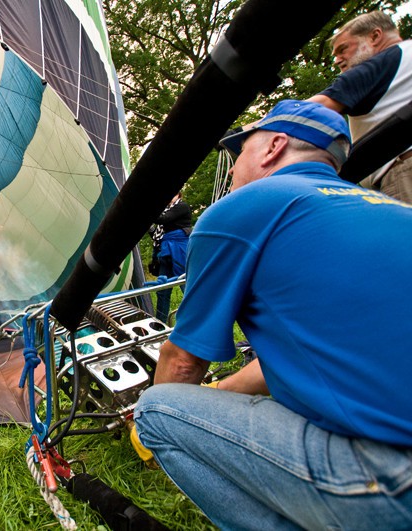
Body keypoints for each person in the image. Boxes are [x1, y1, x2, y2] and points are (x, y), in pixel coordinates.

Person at [131, 100, 412, 530]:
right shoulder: (387, 207)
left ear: (272, 147)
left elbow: (183, 362)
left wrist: (171, 413)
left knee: (154, 409)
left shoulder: (243, 209)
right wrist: (215, 395)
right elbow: (286, 361)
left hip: (390, 482)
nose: (236, 165)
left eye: (239, 152)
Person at [309, 10, 412, 203]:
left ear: (375, 36)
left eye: (343, 49)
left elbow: (308, 111)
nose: (337, 60)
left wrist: (242, 136)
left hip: (404, 171)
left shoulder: (380, 64)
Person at [147, 192, 192, 323]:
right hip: (166, 251)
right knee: (162, 290)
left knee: (185, 285)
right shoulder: (167, 210)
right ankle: (160, 323)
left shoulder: (181, 206)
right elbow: (157, 235)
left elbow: (163, 219)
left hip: (179, 250)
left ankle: (196, 321)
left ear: (178, 194)